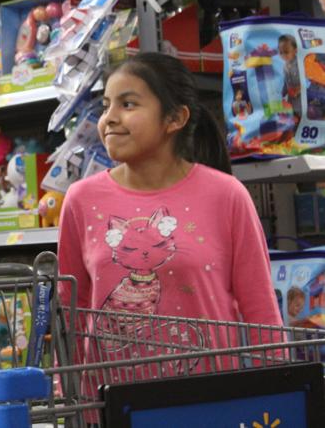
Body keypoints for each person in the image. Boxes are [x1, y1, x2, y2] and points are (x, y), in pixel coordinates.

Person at [57, 52, 282, 379]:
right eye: (106, 105)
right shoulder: (81, 200)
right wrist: (68, 393)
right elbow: (70, 310)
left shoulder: (227, 195)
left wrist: (278, 389)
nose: (110, 118)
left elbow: (260, 309)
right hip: (110, 406)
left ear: (175, 119)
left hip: (208, 401)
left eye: (128, 104)